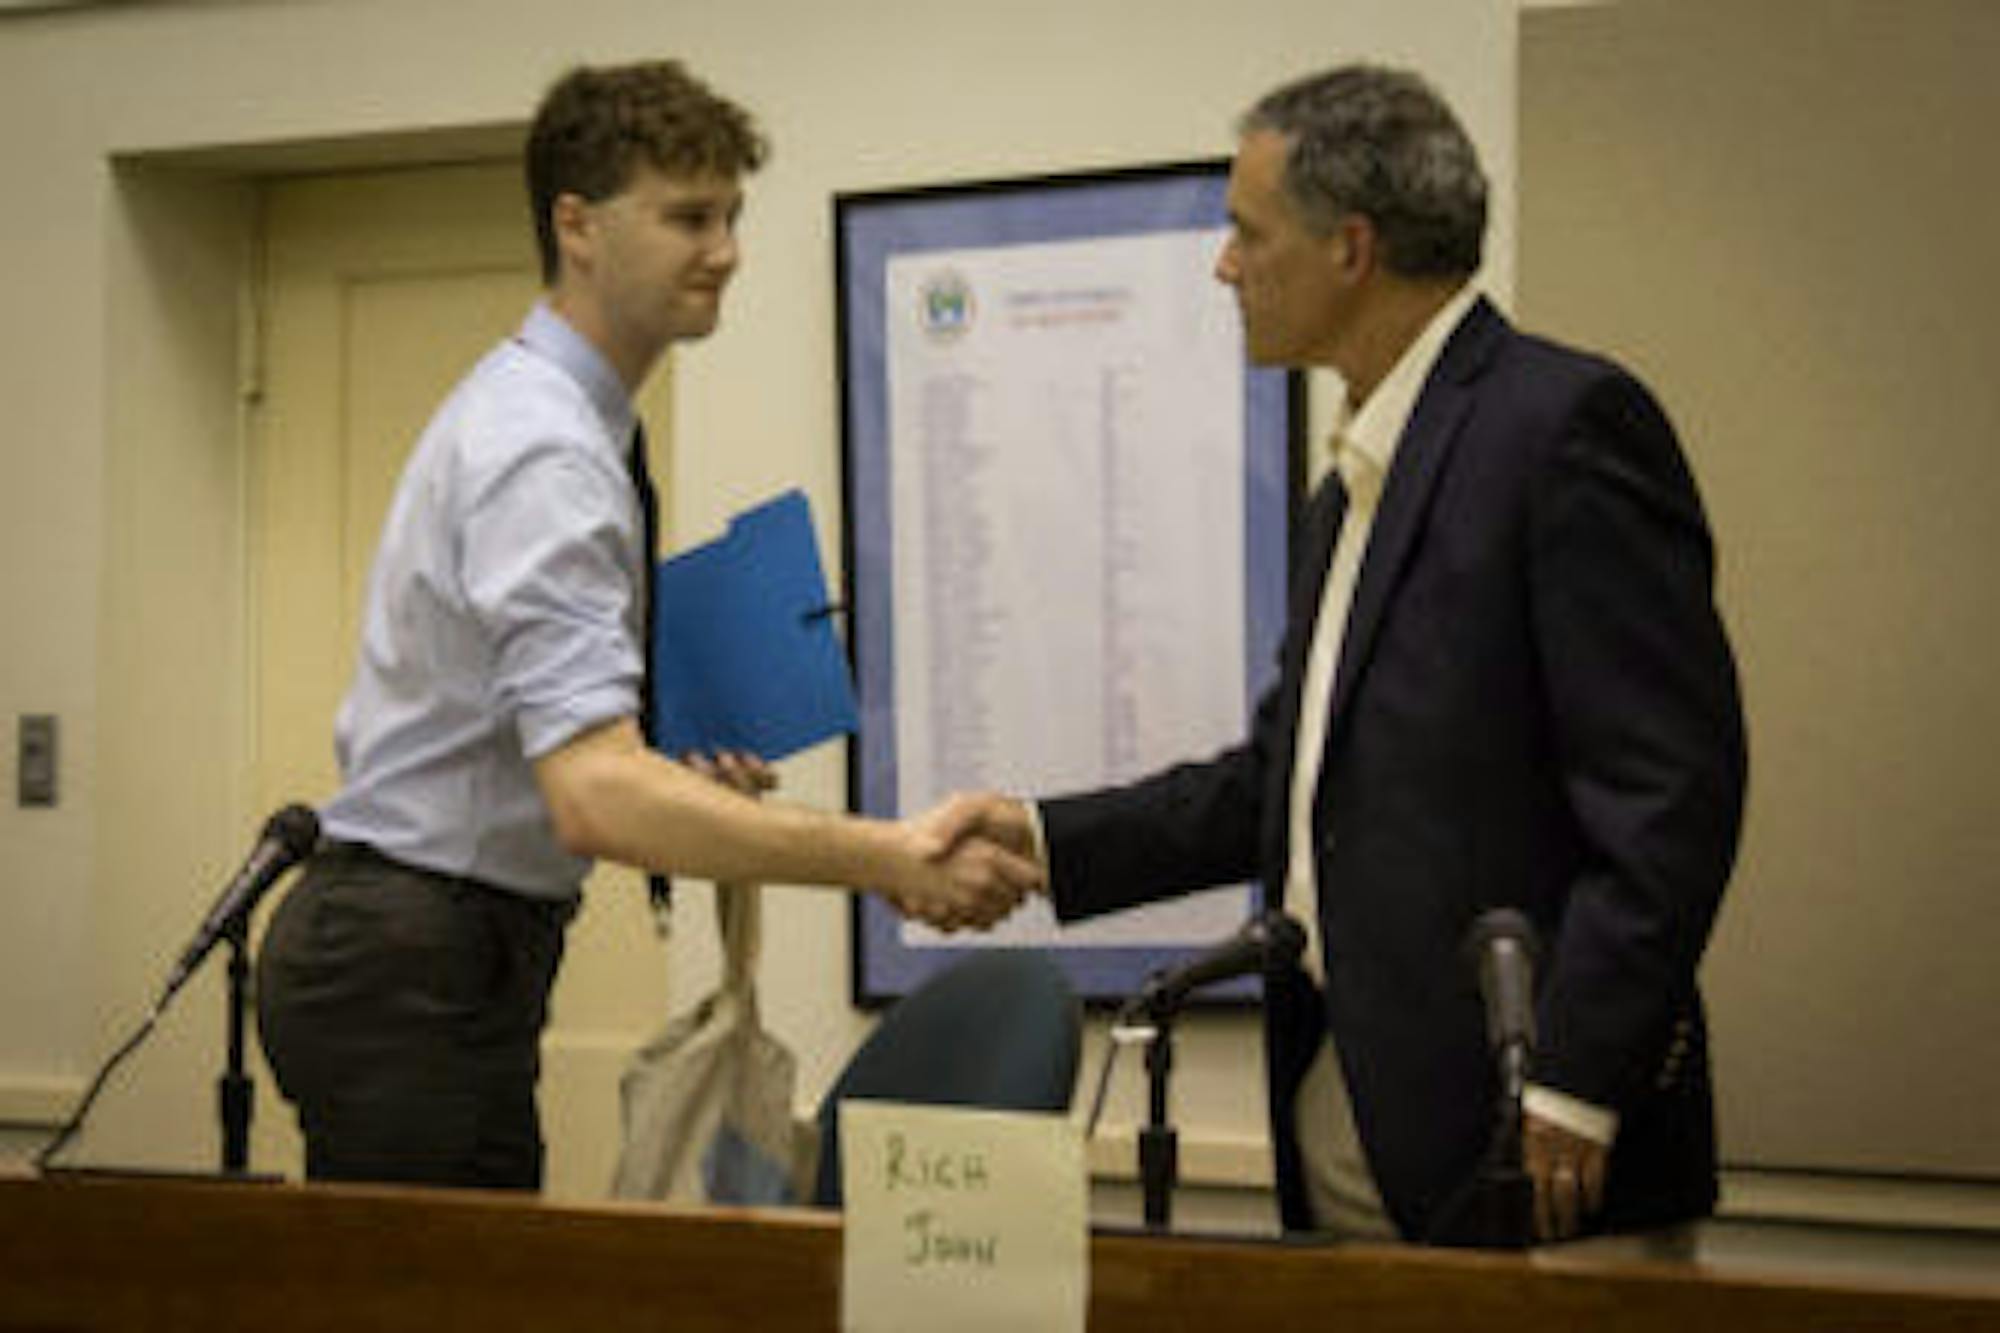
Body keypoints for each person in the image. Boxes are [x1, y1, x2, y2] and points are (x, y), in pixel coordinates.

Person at [933, 64, 1746, 1244]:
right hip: (1353, 1107)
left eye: (1244, 234)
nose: (1223, 267)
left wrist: (1578, 1075)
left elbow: (1668, 795)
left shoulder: (1560, 427)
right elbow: (1284, 786)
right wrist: (1044, 836)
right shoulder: (1356, 480)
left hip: (1533, 1137)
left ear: (1349, 249)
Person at [255, 60, 1036, 1192]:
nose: (723, 250)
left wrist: (666, 768)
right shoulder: (544, 449)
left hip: (437, 950)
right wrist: (887, 856)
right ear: (575, 223)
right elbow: (592, 796)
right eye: (686, 217)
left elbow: (574, 761)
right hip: (407, 960)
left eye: (730, 216)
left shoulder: (573, 424)